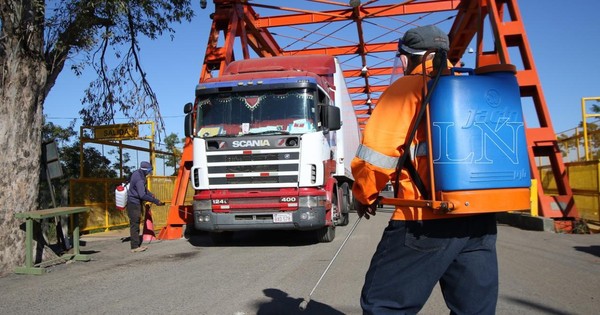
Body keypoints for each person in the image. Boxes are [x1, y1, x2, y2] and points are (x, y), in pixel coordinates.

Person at [351, 25, 499, 314]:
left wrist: (364, 194)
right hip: (480, 219)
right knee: (474, 311)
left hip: (425, 216)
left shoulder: (407, 88)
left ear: (408, 57)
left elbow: (376, 156)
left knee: (384, 305)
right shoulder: (471, 88)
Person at [127, 161, 164, 253]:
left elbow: (143, 189)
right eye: (149, 170)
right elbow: (142, 195)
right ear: (145, 170)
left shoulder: (137, 173)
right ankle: (135, 247)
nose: (149, 172)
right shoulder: (140, 178)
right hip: (133, 203)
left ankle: (135, 245)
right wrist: (155, 201)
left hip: (133, 201)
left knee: (135, 223)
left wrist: (151, 195)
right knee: (135, 224)